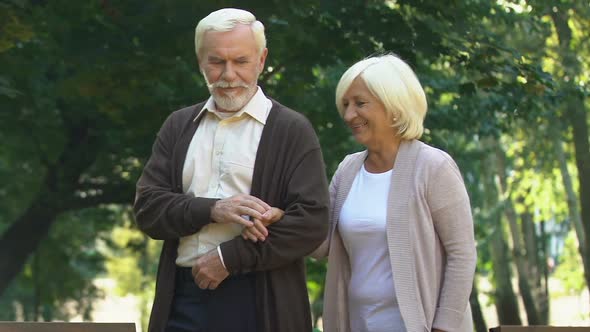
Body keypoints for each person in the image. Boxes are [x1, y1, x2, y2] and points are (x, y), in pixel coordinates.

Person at [244, 54, 477, 332]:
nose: (349, 115)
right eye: (345, 105)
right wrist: (280, 219)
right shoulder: (348, 169)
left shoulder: (434, 167)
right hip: (358, 322)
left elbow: (462, 254)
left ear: (393, 105)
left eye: (360, 103)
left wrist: (444, 327)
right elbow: (320, 244)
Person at [133, 8, 329, 332]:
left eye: (240, 61)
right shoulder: (178, 126)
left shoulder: (292, 130)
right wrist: (214, 210)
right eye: (216, 61)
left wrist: (229, 258)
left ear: (262, 60)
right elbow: (147, 208)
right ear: (200, 61)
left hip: (261, 300)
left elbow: (311, 222)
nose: (228, 74)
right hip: (183, 300)